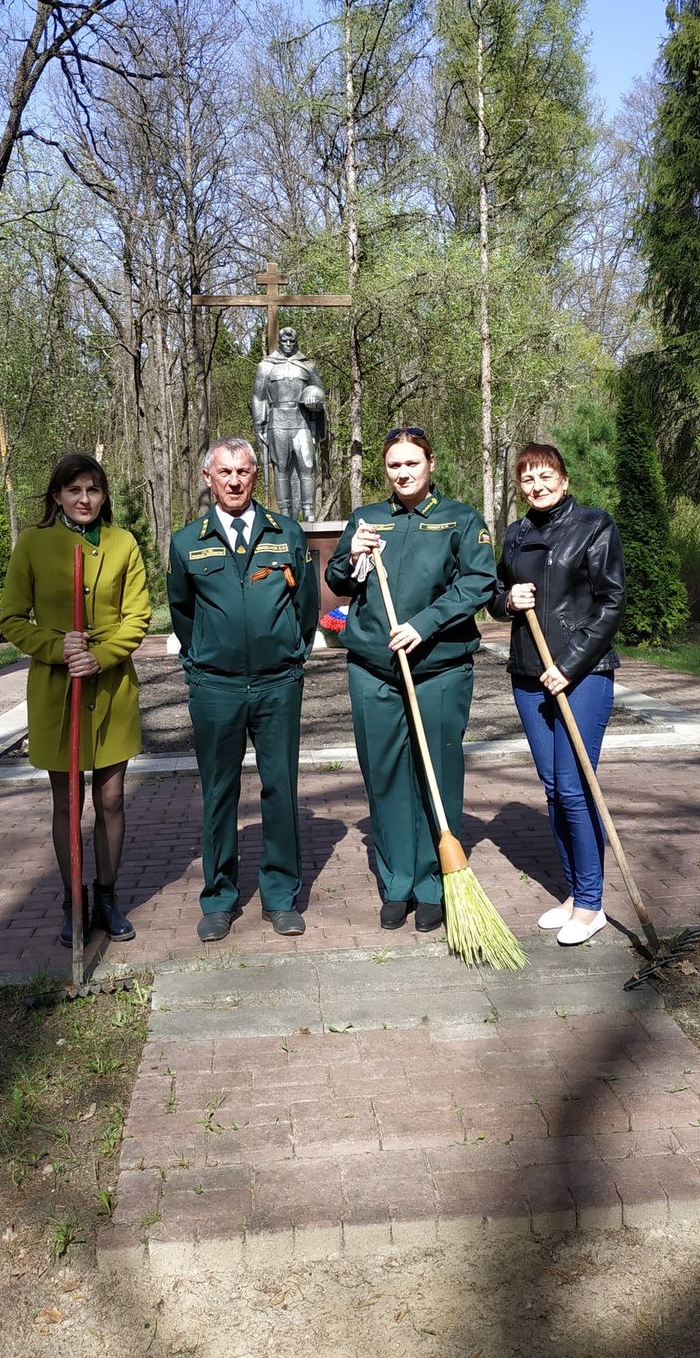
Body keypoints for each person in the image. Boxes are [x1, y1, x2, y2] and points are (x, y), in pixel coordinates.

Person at [326, 428, 496, 931]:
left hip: (438, 668)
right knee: (384, 775)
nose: (403, 473)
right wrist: (353, 552)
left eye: (412, 463)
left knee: (436, 774)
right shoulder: (367, 519)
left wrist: (423, 625)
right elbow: (336, 581)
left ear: (431, 464)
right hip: (373, 670)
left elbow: (478, 582)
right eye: (394, 465)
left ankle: (431, 883)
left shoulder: (460, 519)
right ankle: (396, 881)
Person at [166, 437, 319, 942]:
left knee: (280, 790)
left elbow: (307, 607)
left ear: (257, 476)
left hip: (278, 684)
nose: (234, 481)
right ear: (208, 478)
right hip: (215, 687)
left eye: (243, 471)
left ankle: (280, 896)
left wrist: (292, 654)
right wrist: (203, 660)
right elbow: (183, 612)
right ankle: (219, 898)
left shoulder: (286, 533)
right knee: (218, 794)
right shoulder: (188, 541)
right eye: (224, 472)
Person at [0, 453, 151, 947]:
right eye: (74, 491)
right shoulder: (34, 544)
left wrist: (101, 656)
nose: (85, 500)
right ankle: (74, 900)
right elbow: (12, 619)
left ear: (103, 495)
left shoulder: (122, 543)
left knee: (110, 798)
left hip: (110, 688)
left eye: (93, 490)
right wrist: (56, 647)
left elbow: (138, 618)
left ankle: (107, 896)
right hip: (55, 690)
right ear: (57, 495)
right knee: (68, 800)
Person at [490, 442, 626, 947]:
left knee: (574, 788)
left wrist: (569, 666)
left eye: (546, 476)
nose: (537, 486)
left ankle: (591, 905)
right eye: (527, 479)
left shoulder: (594, 526)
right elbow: (493, 594)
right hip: (528, 675)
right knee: (552, 788)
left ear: (564, 480)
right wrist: (507, 600)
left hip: (583, 674)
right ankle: (574, 893)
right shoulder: (516, 534)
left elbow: (611, 603)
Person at [250, 326, 327, 520]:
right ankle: (285, 513)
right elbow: (258, 397)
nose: (288, 345)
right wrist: (259, 423)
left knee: (307, 465)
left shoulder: (307, 366)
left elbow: (319, 392)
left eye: (292, 341)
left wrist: (315, 401)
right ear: (279, 342)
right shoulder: (266, 366)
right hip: (277, 421)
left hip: (301, 421)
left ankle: (309, 511)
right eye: (284, 341)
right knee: (281, 467)